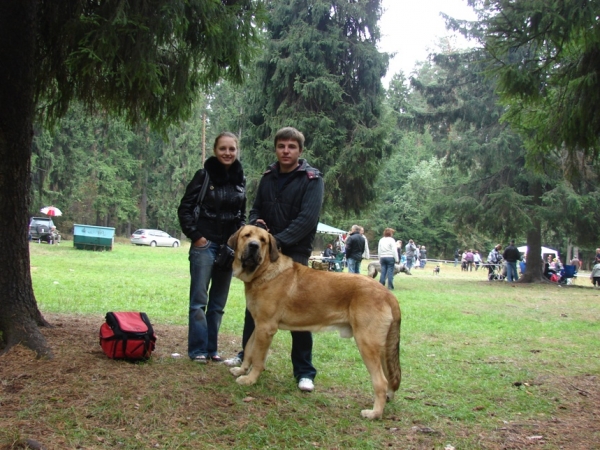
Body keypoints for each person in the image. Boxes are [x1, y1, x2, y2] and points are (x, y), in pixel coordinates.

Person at [224, 126, 324, 393]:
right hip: (263, 251)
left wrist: (273, 241)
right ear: (276, 149)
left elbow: (307, 220)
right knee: (255, 308)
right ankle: (247, 358)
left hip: (293, 251)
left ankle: (304, 371)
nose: (286, 151)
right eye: (281, 146)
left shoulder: (312, 179)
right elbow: (257, 207)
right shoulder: (268, 176)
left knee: (301, 312)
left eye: (291, 147)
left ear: (300, 151)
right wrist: (257, 226)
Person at [177, 132, 246, 363]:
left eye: (232, 149)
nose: (227, 153)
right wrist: (196, 237)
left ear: (237, 151)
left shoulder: (240, 179)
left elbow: (241, 215)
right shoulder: (204, 175)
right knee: (199, 301)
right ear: (215, 151)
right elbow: (185, 208)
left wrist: (236, 242)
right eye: (223, 149)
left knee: (218, 303)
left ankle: (211, 348)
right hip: (204, 246)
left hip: (228, 249)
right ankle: (197, 350)